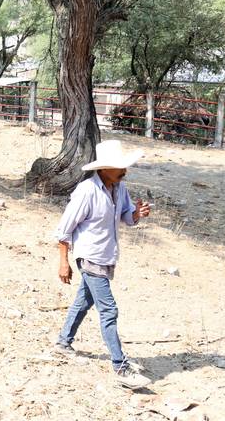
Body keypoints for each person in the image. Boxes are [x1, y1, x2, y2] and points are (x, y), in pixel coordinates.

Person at [53, 140, 152, 389]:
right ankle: (120, 366)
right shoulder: (86, 191)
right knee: (109, 310)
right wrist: (63, 261)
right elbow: (64, 230)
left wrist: (138, 214)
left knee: (84, 301)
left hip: (106, 256)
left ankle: (63, 342)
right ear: (103, 169)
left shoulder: (120, 187)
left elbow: (127, 217)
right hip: (90, 256)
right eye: (119, 167)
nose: (124, 171)